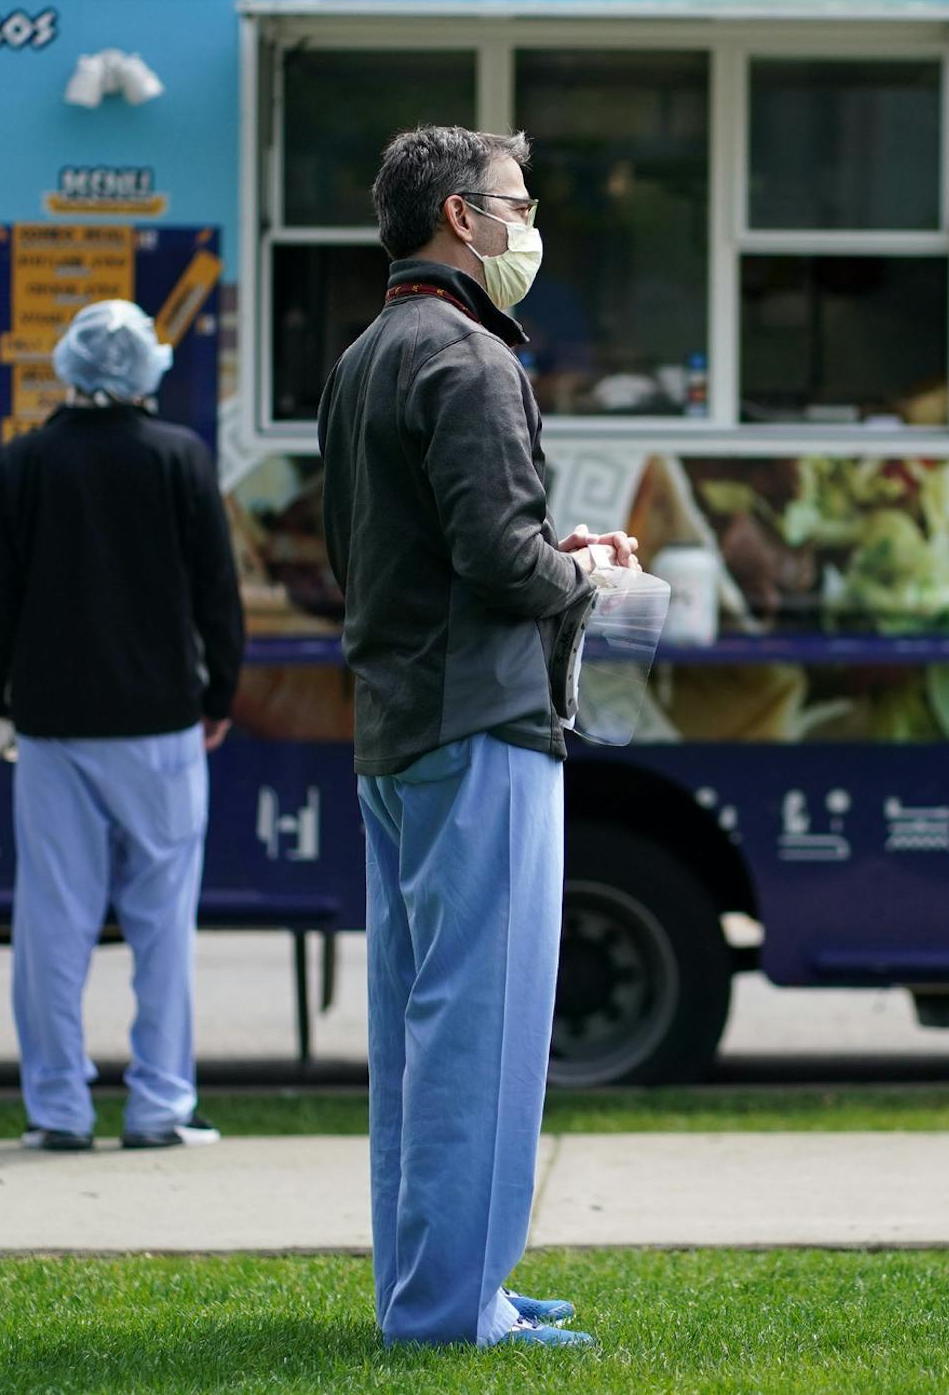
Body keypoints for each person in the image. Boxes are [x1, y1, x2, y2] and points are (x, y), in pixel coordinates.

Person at [318, 126, 635, 1352]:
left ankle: (443, 1287)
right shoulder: (471, 358)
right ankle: (456, 1309)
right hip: (481, 719)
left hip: (397, 723)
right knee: (484, 1027)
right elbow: (502, 558)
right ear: (461, 217)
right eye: (517, 202)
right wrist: (584, 574)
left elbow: (389, 551)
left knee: (421, 1028)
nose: (530, 222)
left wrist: (547, 560)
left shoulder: (365, 355)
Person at [0, 301, 245, 1153]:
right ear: (145, 370)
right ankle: (160, 1103)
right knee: (163, 921)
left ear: (70, 365)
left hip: (50, 731)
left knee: (53, 922)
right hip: (162, 728)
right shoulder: (181, 459)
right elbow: (217, 596)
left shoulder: (22, 463)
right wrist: (220, 695)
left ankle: (57, 1109)